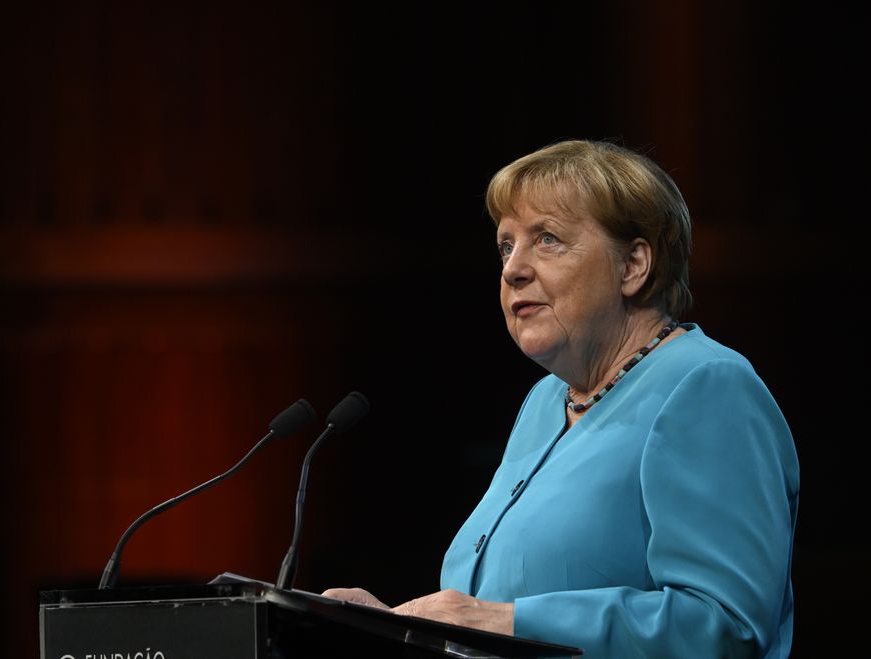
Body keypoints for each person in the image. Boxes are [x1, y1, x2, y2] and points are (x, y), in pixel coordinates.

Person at [324, 140, 800, 658]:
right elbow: (488, 619)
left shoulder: (707, 387)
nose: (513, 269)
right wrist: (397, 630)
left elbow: (726, 627)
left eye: (547, 239)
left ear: (633, 265)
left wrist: (502, 621)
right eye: (506, 246)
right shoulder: (545, 401)